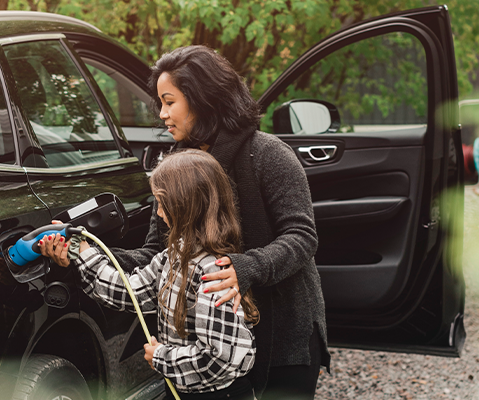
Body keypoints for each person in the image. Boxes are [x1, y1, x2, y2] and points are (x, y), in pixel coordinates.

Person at [112, 45, 330, 399]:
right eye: (160, 104)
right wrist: (87, 253)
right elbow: (156, 252)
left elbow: (302, 236)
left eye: (170, 101)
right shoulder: (176, 170)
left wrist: (247, 267)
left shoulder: (269, 154)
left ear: (202, 98)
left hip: (284, 335)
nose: (163, 114)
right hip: (214, 347)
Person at [41, 150, 259, 399]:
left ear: (183, 205)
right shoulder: (173, 255)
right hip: (182, 388)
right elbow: (129, 292)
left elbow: (223, 357)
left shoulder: (212, 271)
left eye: (161, 203)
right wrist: (82, 251)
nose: (158, 213)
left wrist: (162, 357)